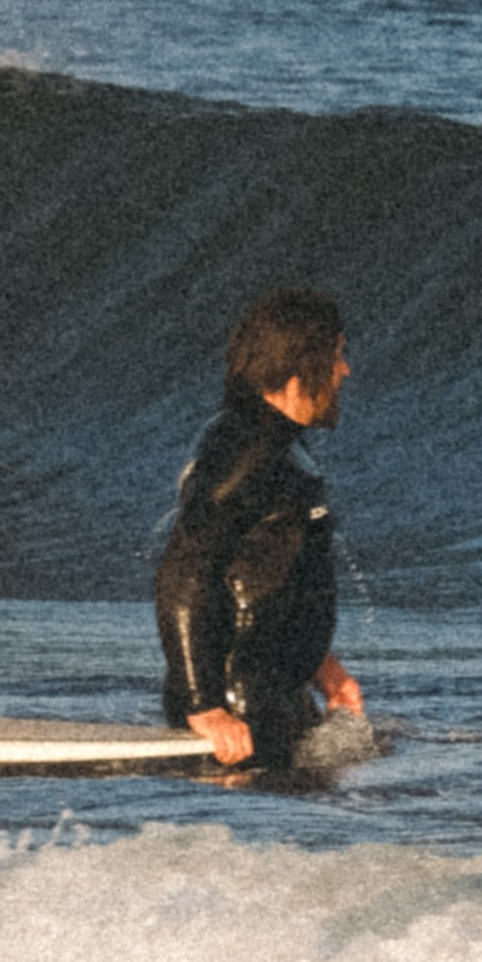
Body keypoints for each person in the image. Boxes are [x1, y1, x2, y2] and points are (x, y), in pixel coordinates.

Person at [155, 285, 365, 771]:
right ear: (304, 362)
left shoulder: (280, 445)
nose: (344, 371)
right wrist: (202, 706)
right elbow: (185, 571)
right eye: (337, 355)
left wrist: (324, 669)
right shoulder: (246, 450)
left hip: (273, 693)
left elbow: (277, 579)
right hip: (238, 710)